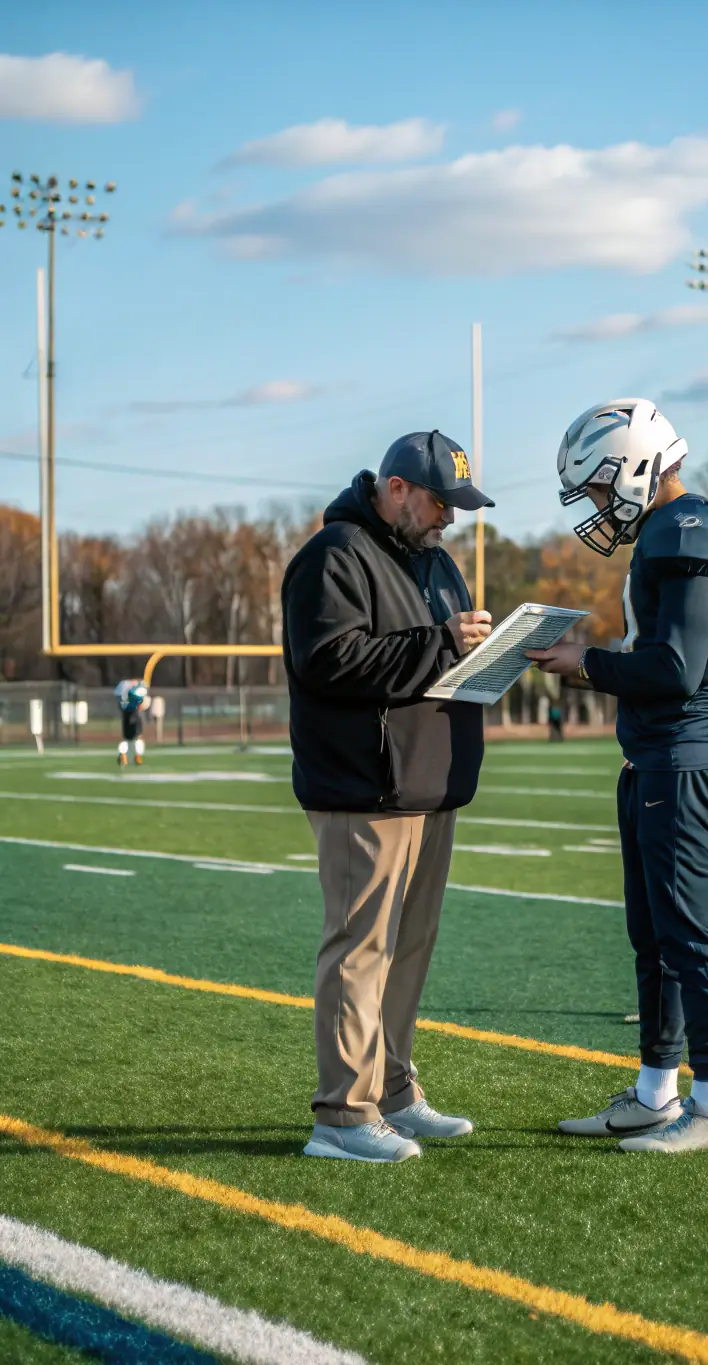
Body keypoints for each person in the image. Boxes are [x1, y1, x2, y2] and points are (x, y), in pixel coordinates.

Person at [527, 398, 708, 1155]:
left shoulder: (692, 529)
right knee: (652, 935)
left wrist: (584, 663)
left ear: (630, 466)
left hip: (688, 754)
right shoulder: (669, 529)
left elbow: (677, 669)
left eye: (596, 488)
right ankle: (657, 1090)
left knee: (691, 934)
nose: (595, 507)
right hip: (657, 755)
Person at [282, 430, 494, 1165]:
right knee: (360, 948)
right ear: (397, 489)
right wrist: (442, 642)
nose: (450, 519)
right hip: (364, 787)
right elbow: (330, 659)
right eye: (441, 502)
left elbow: (436, 658)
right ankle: (342, 1113)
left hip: (427, 785)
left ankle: (394, 1092)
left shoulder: (433, 560)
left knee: (407, 948)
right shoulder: (334, 554)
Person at [114, 679, 150, 766]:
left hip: (126, 713)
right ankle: (138, 755)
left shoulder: (122, 685)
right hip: (134, 713)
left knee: (126, 738)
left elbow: (118, 697)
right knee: (138, 736)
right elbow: (142, 703)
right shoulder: (136, 687)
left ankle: (122, 753)